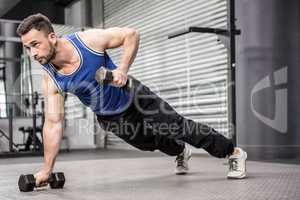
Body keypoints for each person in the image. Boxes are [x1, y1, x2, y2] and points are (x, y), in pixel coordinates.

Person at [16, 13, 247, 187]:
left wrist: (123, 69)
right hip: (110, 117)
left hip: (134, 95)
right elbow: (53, 124)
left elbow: (131, 34)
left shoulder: (87, 41)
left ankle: (232, 152)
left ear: (52, 37)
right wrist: (47, 170)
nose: (32, 54)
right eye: (27, 48)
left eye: (35, 45)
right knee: (150, 143)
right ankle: (179, 151)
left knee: (178, 125)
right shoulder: (50, 79)